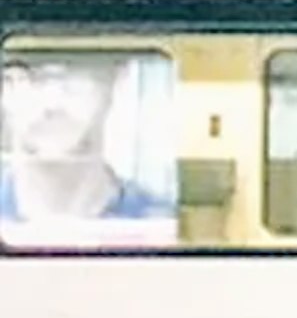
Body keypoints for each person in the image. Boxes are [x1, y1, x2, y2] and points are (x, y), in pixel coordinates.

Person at [0, 50, 178, 247]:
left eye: (73, 70)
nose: (52, 101)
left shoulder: (165, 231)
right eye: (27, 75)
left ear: (118, 77)